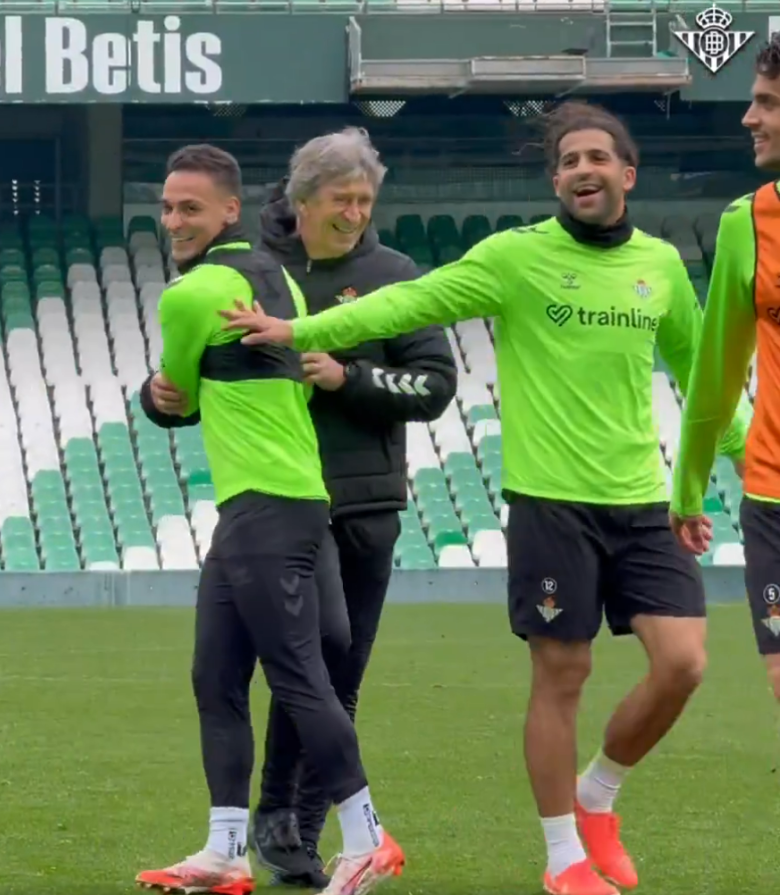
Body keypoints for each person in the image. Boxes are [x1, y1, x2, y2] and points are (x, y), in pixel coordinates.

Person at [219, 103, 749, 895]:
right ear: (556, 179)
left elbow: (705, 384)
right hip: (550, 502)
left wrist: (736, 468)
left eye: (597, 157)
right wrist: (297, 333)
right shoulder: (513, 256)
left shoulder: (662, 268)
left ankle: (599, 795)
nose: (581, 170)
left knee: (683, 663)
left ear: (626, 174)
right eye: (567, 160)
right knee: (561, 672)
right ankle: (565, 857)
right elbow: (409, 304)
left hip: (642, 501)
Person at [133, 144, 405, 895]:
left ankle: (366, 837)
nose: (173, 220)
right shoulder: (279, 279)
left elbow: (176, 394)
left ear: (230, 210)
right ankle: (225, 848)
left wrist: (166, 392)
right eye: (166, 207)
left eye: (190, 207)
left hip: (264, 508)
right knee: (215, 674)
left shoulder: (190, 296)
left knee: (297, 677)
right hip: (289, 505)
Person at [246, 129, 457, 888]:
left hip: (367, 501)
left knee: (342, 667)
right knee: (308, 660)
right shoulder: (259, 274)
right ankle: (283, 820)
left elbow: (434, 385)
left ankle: (291, 827)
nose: (357, 214)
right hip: (285, 498)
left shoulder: (394, 276)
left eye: (366, 200)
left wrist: (348, 377)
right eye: (343, 200)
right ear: (303, 200)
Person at [670, 37, 780, 693]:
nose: (748, 118)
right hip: (772, 495)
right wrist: (688, 489)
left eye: (766, 103)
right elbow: (715, 376)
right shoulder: (748, 223)